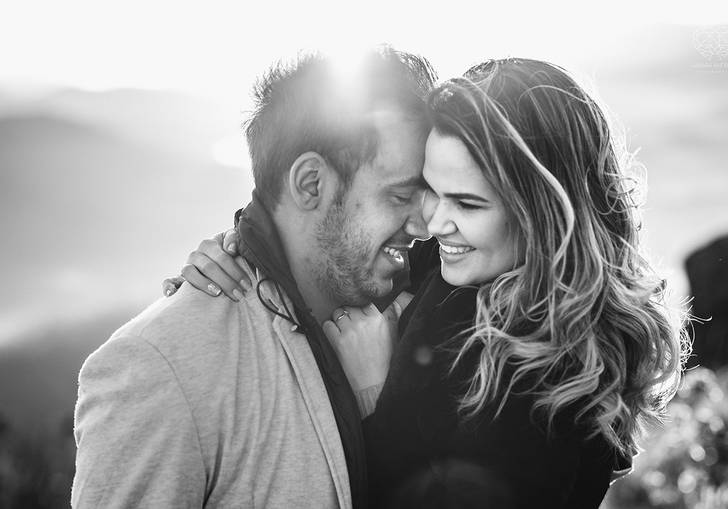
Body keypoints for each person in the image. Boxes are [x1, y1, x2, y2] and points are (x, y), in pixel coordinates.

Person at [176, 58, 690, 508]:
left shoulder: (555, 380)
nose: (434, 223)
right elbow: (332, 234)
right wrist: (243, 244)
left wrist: (373, 396)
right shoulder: (469, 270)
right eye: (430, 190)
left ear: (542, 214)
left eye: (467, 203)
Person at [72, 47, 436, 508]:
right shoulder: (160, 369)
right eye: (401, 197)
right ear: (310, 184)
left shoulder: (429, 301)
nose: (425, 226)